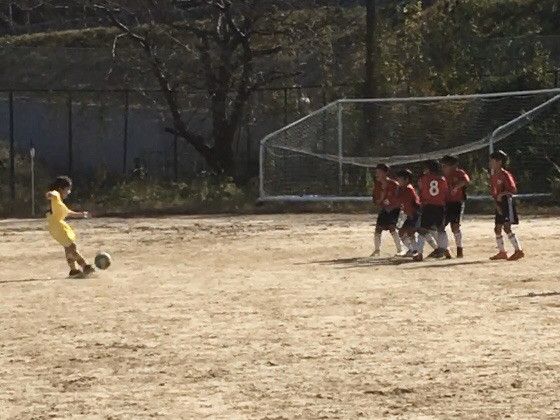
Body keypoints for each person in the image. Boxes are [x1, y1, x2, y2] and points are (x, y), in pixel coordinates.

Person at [46, 176, 95, 278]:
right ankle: (85, 266)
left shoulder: (58, 202)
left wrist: (82, 214)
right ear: (61, 188)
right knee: (72, 247)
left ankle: (74, 271)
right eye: (68, 189)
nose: (69, 192)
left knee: (68, 248)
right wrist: (50, 194)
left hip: (56, 225)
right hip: (57, 226)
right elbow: (52, 194)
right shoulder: (56, 195)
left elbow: (67, 212)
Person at [489, 150, 524, 261]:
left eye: (492, 161)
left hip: (506, 203)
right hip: (499, 204)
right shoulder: (494, 175)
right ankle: (502, 252)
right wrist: (496, 204)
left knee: (507, 227)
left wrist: (502, 194)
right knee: (497, 228)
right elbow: (494, 193)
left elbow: (512, 190)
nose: (490, 163)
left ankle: (519, 250)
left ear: (499, 162)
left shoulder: (505, 175)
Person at [413, 160, 449, 262]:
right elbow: (445, 192)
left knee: (422, 230)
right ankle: (446, 251)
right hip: (440, 206)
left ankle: (419, 253)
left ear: (428, 169)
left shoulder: (424, 178)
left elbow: (421, 191)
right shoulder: (442, 179)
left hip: (428, 206)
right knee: (441, 229)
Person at [441, 155, 470, 258]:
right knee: (441, 226)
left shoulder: (459, 173)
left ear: (454, 165)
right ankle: (445, 249)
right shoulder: (443, 175)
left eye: (447, 165)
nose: (444, 167)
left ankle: (459, 249)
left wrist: (456, 187)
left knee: (455, 227)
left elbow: (466, 181)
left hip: (457, 203)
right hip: (445, 203)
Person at [371, 164, 403, 256]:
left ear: (385, 173)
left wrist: (392, 202)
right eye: (376, 172)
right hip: (384, 209)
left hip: (394, 210)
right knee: (378, 229)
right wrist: (381, 198)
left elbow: (399, 198)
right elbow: (376, 201)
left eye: (379, 172)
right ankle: (377, 250)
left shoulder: (394, 184)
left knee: (392, 228)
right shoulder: (377, 185)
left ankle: (400, 249)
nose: (377, 174)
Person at [395, 169, 421, 257]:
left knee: (411, 232)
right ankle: (412, 249)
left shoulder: (409, 189)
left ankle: (416, 250)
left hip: (413, 213)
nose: (398, 181)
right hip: (407, 214)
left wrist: (410, 214)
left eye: (400, 179)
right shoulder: (402, 189)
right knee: (401, 232)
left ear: (406, 180)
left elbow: (411, 203)